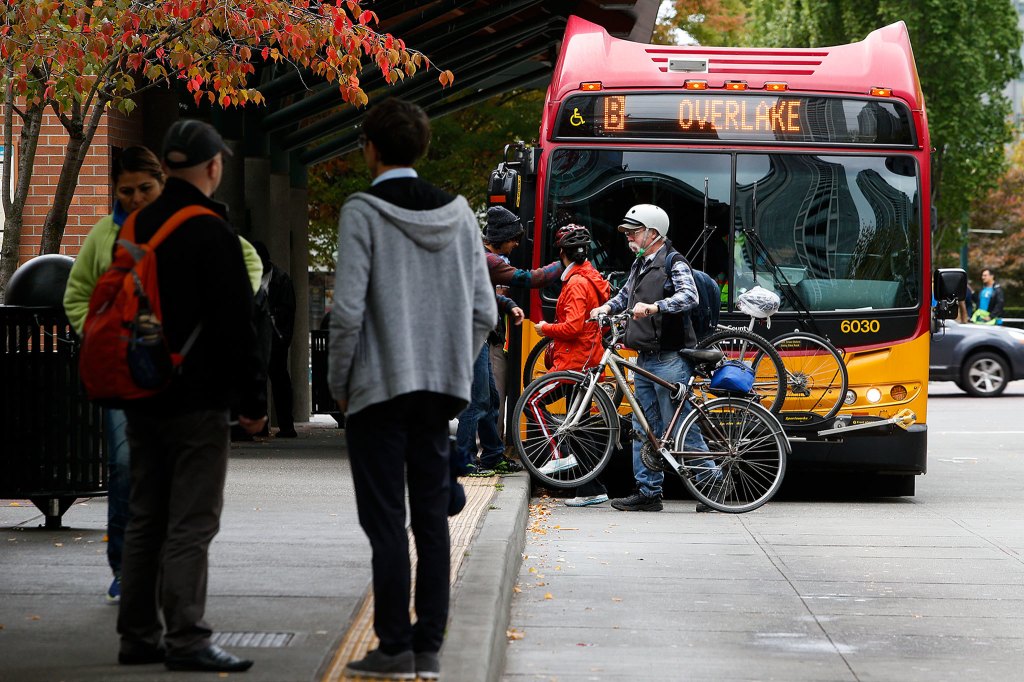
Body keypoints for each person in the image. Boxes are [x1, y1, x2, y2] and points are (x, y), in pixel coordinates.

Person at [328, 98, 496, 680]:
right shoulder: (460, 213)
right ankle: (428, 648)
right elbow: (485, 310)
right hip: (439, 391)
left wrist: (339, 386)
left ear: (370, 148)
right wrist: (453, 364)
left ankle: (392, 645)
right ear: (422, 148)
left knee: (384, 521)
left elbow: (347, 311)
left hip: (377, 390)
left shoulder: (363, 211)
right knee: (431, 517)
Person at [115, 119, 267, 672]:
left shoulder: (135, 225)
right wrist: (253, 404)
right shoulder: (210, 230)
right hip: (197, 399)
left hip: (141, 389)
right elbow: (237, 327)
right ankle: (186, 637)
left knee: (146, 514)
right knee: (191, 521)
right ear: (213, 166)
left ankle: (136, 634)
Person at [62, 146, 166, 605]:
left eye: (146, 188)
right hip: (123, 369)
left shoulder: (182, 226)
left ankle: (163, 562)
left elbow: (243, 261)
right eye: (127, 190)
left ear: (161, 182)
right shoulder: (104, 234)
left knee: (172, 471)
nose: (137, 197)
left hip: (172, 368)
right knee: (124, 468)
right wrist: (100, 334)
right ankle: (125, 568)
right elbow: (77, 293)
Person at [589, 204, 711, 513]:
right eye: (627, 233)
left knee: (679, 423)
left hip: (671, 359)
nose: (629, 237)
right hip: (644, 358)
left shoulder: (674, 261)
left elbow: (689, 297)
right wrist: (607, 308)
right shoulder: (639, 264)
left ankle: (712, 482)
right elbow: (624, 295)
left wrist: (655, 307)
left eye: (634, 232)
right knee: (644, 427)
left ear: (653, 233)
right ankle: (648, 491)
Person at [461, 205, 564, 477]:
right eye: (513, 238)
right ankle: (464, 459)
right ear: (499, 238)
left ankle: (493, 456)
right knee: (477, 400)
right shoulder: (489, 261)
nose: (516, 243)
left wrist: (506, 304)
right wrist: (564, 262)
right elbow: (529, 279)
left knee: (492, 399)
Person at [534, 223, 611, 507]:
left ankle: (558, 456)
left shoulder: (577, 283)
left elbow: (574, 327)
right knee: (577, 425)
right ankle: (592, 489)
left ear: (562, 253)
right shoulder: (588, 276)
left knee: (531, 402)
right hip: (584, 360)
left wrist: (545, 329)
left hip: (574, 363)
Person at [251, 241, 297, 438]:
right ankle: (264, 425)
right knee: (263, 382)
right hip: (259, 338)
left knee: (279, 382)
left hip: (275, 339)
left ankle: (285, 426)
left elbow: (288, 313)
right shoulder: (276, 278)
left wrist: (284, 339)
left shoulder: (281, 280)